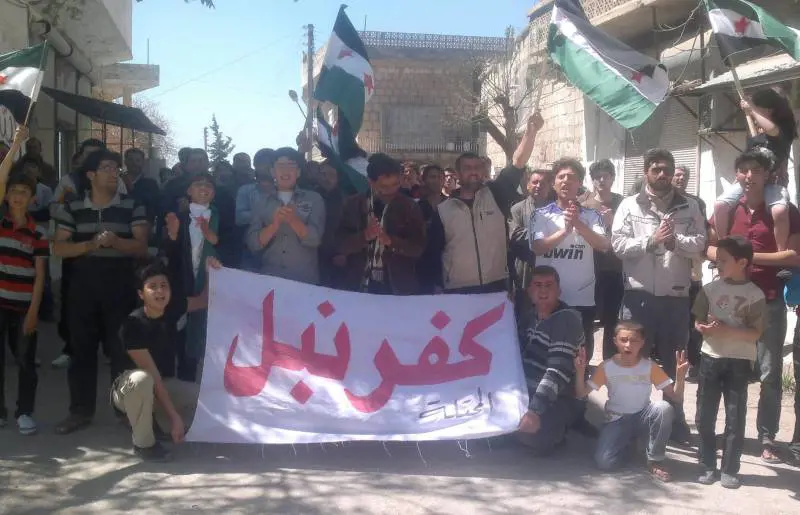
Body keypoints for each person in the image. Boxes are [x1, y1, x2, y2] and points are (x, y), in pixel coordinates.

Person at [705, 149, 800, 464]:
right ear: (737, 175)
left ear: (767, 175)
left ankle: (767, 437)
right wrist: (726, 258)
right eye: (743, 170)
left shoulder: (784, 210)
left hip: (769, 300)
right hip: (732, 302)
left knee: (770, 373)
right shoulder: (730, 208)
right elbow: (709, 246)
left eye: (755, 170)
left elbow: (793, 256)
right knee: (731, 369)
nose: (749, 176)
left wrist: (744, 257)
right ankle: (731, 433)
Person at [611, 148, 706, 443]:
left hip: (675, 298)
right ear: (646, 173)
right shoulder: (629, 205)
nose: (662, 174)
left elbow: (700, 242)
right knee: (633, 361)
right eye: (656, 169)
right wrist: (651, 241)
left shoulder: (690, 206)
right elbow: (618, 245)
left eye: (667, 169)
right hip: (637, 297)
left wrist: (676, 242)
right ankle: (629, 420)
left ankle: (675, 421)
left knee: (674, 361)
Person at [51, 149, 149, 435]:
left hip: (120, 285)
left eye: (116, 168)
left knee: (121, 350)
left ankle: (125, 411)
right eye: (106, 168)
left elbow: (141, 247)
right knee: (81, 349)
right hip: (81, 286)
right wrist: (90, 245)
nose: (113, 173)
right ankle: (80, 411)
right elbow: (58, 247)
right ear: (91, 174)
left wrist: (117, 242)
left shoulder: (132, 204)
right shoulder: (72, 206)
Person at [113, 215, 220, 461]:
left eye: (164, 286)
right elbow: (152, 377)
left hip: (161, 385)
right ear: (141, 294)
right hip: (128, 389)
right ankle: (144, 444)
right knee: (142, 380)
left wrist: (210, 272)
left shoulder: (173, 308)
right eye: (153, 287)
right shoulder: (133, 324)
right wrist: (175, 417)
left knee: (202, 394)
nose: (160, 291)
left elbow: (204, 300)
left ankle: (157, 422)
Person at [428, 112, 542, 294]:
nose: (473, 172)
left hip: (496, 286)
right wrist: (436, 287)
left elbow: (518, 163)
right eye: (467, 168)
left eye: (477, 168)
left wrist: (531, 132)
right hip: (457, 290)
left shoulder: (496, 194)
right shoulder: (443, 211)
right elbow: (433, 253)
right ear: (458, 173)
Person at [693, 236, 766, 488]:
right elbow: (698, 321)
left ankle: (730, 469)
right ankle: (707, 465)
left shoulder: (755, 294)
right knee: (705, 414)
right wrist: (703, 327)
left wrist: (725, 330)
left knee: (735, 416)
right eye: (717, 260)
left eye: (723, 260)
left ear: (742, 262)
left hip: (739, 361)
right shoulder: (709, 289)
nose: (718, 265)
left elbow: (755, 333)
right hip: (710, 357)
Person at [574, 321, 688, 482]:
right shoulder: (606, 367)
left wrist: (680, 377)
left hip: (643, 416)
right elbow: (581, 393)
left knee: (664, 408)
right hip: (616, 420)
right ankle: (629, 445)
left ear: (642, 343)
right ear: (615, 341)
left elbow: (676, 397)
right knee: (605, 462)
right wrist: (580, 372)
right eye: (624, 340)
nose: (628, 345)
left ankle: (655, 459)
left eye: (634, 341)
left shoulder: (649, 366)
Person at [531, 158, 609, 359]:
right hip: (548, 298)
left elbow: (603, 245)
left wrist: (578, 224)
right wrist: (564, 231)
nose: (566, 181)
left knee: (580, 356)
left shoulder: (592, 215)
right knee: (544, 354)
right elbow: (537, 247)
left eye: (572, 177)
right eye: (561, 177)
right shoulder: (540, 214)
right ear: (553, 183)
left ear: (580, 183)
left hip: (581, 298)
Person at [0, 126, 48, 435]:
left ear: (32, 199)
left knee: (26, 362)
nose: (18, 196)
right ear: (6, 195)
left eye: (24, 192)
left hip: (23, 308)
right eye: (13, 190)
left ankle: (24, 412)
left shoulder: (37, 234)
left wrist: (33, 311)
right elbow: (1, 175)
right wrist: (16, 143)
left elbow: (40, 275)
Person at [713, 89, 797, 253]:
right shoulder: (755, 139)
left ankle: (781, 251)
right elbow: (745, 162)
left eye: (759, 108)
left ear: (769, 110)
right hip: (749, 183)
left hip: (771, 183)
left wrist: (751, 108)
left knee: (779, 210)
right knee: (719, 205)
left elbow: (772, 129)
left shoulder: (782, 133)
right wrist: (737, 180)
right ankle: (723, 244)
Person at [516, 266, 585, 454]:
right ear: (529, 290)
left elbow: (557, 372)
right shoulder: (528, 317)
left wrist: (534, 410)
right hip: (527, 392)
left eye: (549, 285)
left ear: (559, 290)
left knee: (535, 439)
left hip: (559, 397)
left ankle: (559, 429)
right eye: (538, 285)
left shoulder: (567, 321)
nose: (543, 291)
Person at [337, 153, 426, 295]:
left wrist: (391, 241)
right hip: (358, 284)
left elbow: (418, 248)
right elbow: (340, 244)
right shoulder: (353, 204)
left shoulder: (409, 206)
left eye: (395, 184)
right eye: (384, 186)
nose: (391, 190)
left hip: (397, 287)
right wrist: (364, 236)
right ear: (370, 182)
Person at [246, 147, 325, 284]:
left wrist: (293, 221)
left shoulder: (314, 199)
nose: (285, 171)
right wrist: (274, 226)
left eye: (291, 166)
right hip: (270, 278)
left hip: (304, 280)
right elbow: (253, 244)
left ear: (298, 172)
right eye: (280, 166)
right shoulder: (260, 201)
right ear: (272, 172)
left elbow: (315, 239)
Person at [581, 159, 625, 360]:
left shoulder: (623, 203)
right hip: (590, 270)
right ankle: (584, 364)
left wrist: (613, 221)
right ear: (592, 180)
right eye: (597, 177)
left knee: (612, 321)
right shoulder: (583, 203)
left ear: (612, 178)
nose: (601, 180)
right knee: (588, 319)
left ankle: (609, 363)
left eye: (605, 176)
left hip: (616, 269)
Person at [509, 169, 554, 304]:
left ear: (550, 186)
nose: (538, 186)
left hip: (551, 267)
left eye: (543, 183)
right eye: (535, 182)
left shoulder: (556, 209)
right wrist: (546, 236)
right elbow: (515, 234)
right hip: (525, 270)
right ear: (528, 185)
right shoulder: (517, 209)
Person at [236, 149, 274, 271]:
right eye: (262, 163)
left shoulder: (284, 189)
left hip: (279, 247)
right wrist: (268, 214)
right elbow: (239, 218)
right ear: (255, 166)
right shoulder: (246, 190)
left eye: (270, 163)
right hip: (251, 248)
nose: (266, 167)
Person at [315, 160, 345, 289]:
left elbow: (349, 228)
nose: (326, 178)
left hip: (336, 256)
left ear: (338, 177)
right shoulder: (309, 197)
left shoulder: (346, 200)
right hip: (312, 255)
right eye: (323, 174)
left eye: (331, 175)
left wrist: (343, 253)